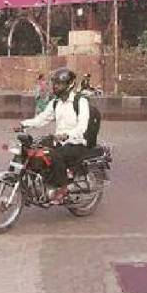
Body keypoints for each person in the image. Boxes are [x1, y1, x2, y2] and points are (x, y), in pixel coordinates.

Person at [19, 68, 90, 204]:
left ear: (69, 85)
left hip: (76, 143)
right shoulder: (56, 102)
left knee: (54, 155)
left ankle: (62, 189)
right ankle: (42, 183)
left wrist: (67, 135)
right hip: (59, 141)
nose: (56, 86)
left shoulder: (80, 102)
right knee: (34, 150)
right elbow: (42, 119)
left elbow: (82, 127)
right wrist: (24, 124)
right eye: (55, 83)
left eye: (60, 84)